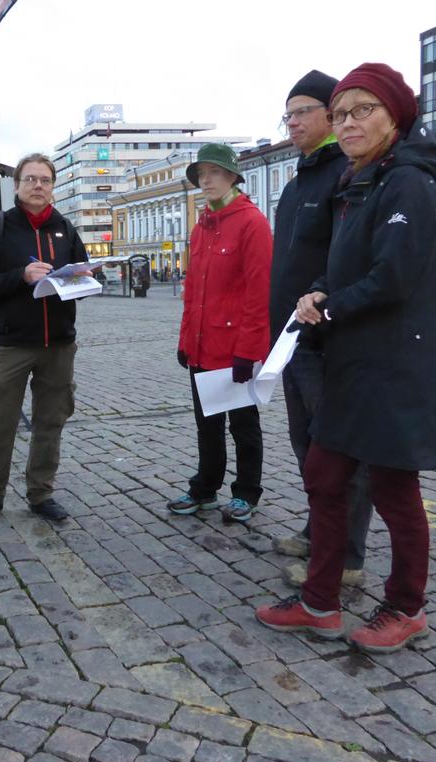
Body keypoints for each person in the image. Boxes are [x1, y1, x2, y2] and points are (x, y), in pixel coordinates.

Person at [256, 63, 436, 653]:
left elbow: (390, 278)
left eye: (362, 110)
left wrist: (330, 307)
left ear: (395, 114)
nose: (348, 123)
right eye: (340, 114)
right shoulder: (360, 181)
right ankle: (320, 602)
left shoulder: (408, 183)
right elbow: (345, 263)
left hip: (391, 366)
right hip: (350, 362)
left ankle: (406, 606)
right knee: (325, 475)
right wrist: (319, 288)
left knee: (395, 491)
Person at [269, 70, 372, 588]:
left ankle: (347, 556)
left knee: (337, 452)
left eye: (300, 112)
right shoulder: (298, 178)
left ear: (329, 114)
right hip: (290, 339)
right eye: (286, 115)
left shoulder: (344, 174)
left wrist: (322, 302)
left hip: (326, 338)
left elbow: (345, 257)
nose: (291, 122)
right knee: (305, 446)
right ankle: (319, 531)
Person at [0, 153, 89, 523]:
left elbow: (80, 277)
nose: (38, 186)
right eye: (30, 179)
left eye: (45, 180)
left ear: (53, 186)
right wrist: (22, 276)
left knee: (51, 421)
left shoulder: (65, 227)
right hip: (12, 343)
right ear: (16, 186)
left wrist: (81, 280)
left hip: (59, 343)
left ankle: (41, 493)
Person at [169, 143, 271, 524]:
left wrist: (249, 350)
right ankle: (205, 487)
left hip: (234, 349)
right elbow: (193, 291)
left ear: (232, 176)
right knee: (206, 425)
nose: (205, 180)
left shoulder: (251, 223)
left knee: (243, 426)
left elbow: (259, 295)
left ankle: (247, 491)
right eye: (201, 174)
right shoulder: (202, 227)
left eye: (213, 172)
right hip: (202, 345)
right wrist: (185, 341)